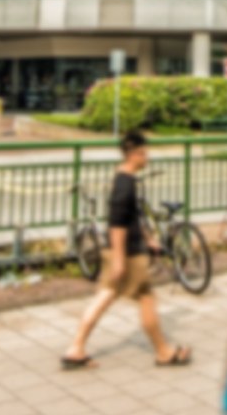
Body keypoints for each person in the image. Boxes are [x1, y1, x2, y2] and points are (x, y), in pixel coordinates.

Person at [61, 130, 190, 370]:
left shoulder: (125, 180)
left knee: (105, 296)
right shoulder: (124, 185)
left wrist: (148, 238)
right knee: (146, 298)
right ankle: (163, 352)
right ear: (133, 154)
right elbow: (117, 224)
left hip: (127, 251)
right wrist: (120, 258)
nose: (147, 157)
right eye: (144, 153)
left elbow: (132, 218)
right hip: (129, 255)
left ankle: (76, 348)